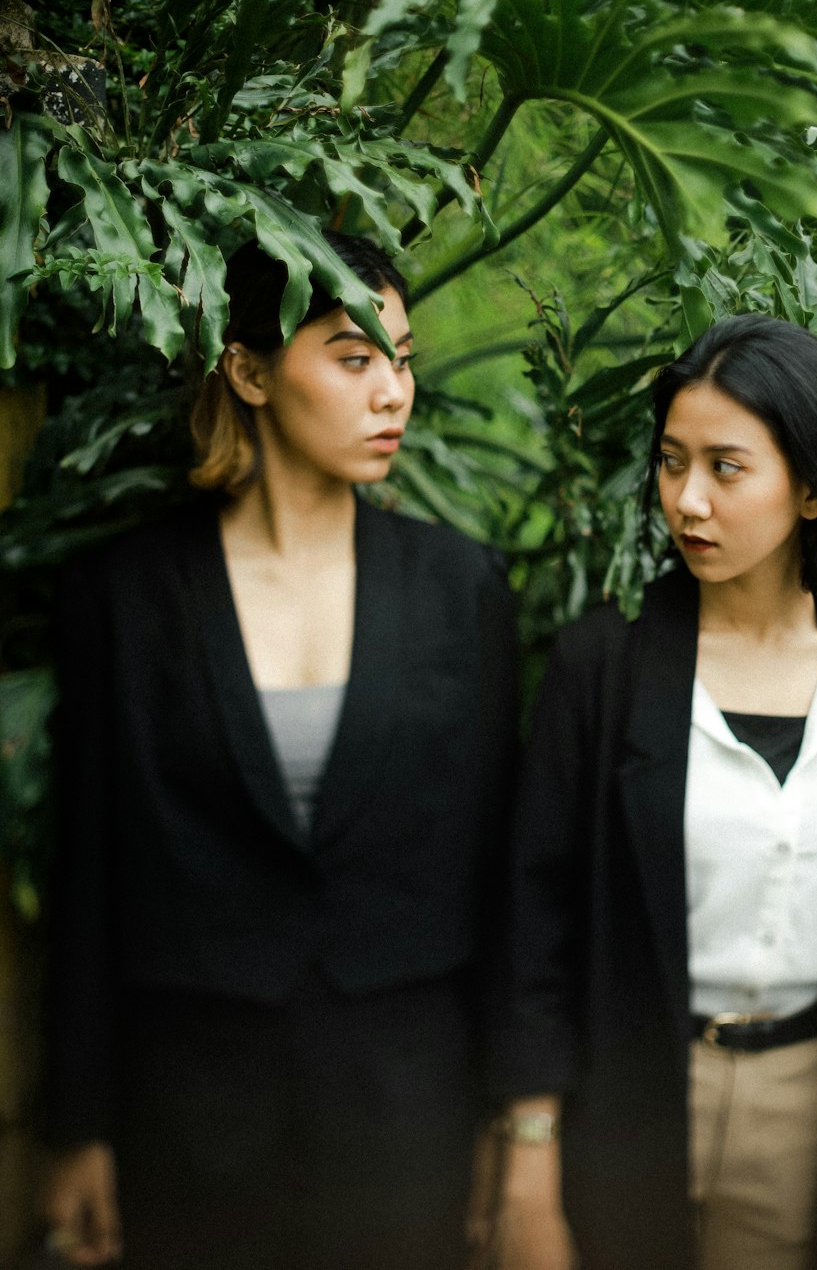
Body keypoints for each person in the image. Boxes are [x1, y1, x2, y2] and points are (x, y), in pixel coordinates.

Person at [41, 232, 519, 1270]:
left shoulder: (459, 589)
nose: (393, 392)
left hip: (409, 1115)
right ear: (250, 370)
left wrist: (509, 1124)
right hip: (190, 1119)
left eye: (403, 361)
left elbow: (496, 871)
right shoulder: (125, 598)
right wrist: (76, 1126)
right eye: (353, 359)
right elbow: (88, 873)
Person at [491, 314, 817, 1270]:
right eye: (670, 462)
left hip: (811, 1106)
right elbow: (537, 931)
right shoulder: (601, 668)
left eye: (726, 468)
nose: (687, 499)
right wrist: (528, 1169)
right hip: (628, 1091)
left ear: (812, 487)